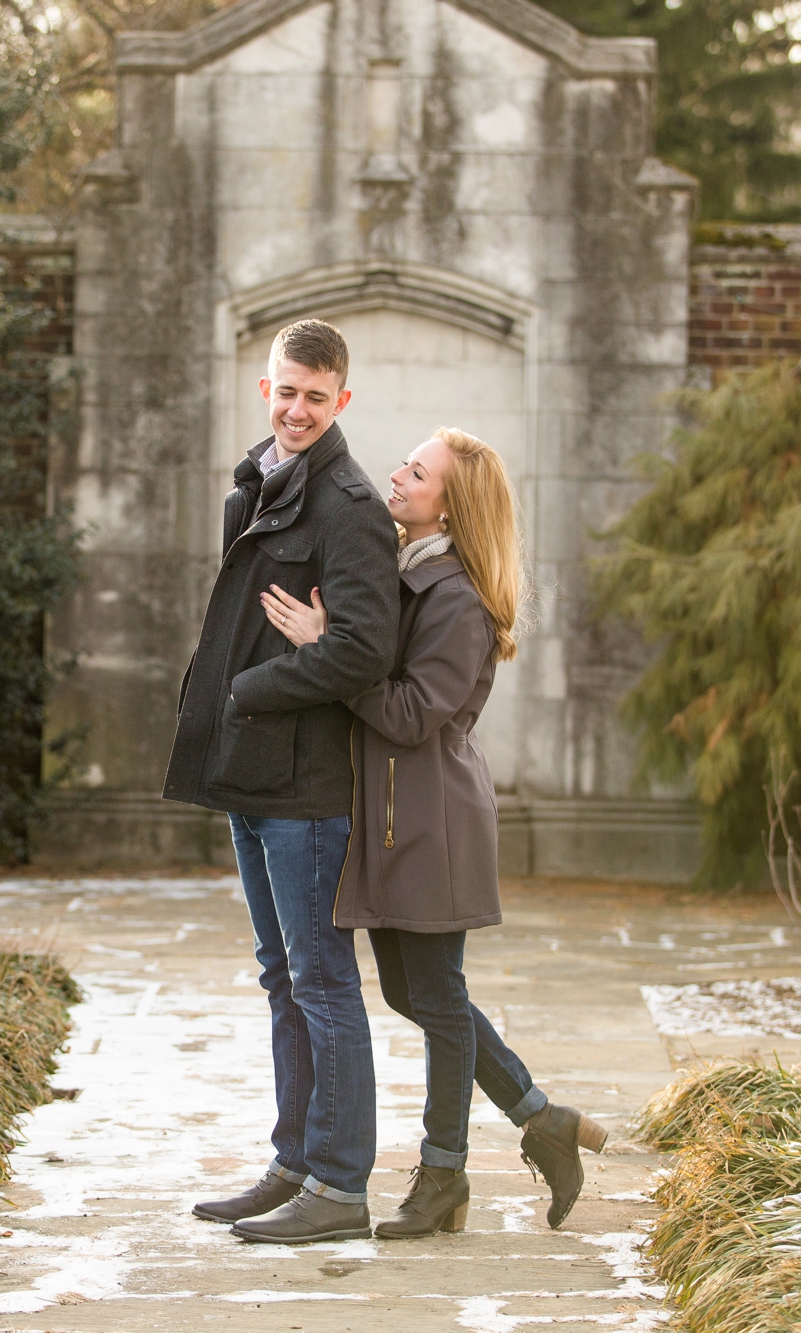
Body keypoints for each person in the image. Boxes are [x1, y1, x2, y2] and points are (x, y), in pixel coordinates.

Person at [259, 427, 607, 1236]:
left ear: (450, 504)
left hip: (435, 822)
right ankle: (540, 1117)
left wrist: (331, 653)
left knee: (438, 998)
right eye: (407, 465)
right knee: (416, 991)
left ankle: (443, 1171)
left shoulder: (455, 598)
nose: (398, 475)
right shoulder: (412, 575)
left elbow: (413, 715)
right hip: (395, 818)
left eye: (418, 473)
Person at [164, 319, 400, 1244]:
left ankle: (341, 1187)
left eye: (315, 395)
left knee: (321, 979)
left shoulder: (349, 507)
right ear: (266, 388)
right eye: (285, 391)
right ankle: (295, 1162)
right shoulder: (256, 483)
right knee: (279, 976)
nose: (297, 409)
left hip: (306, 788)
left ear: (341, 400)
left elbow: (364, 649)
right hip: (251, 774)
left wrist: (250, 689)